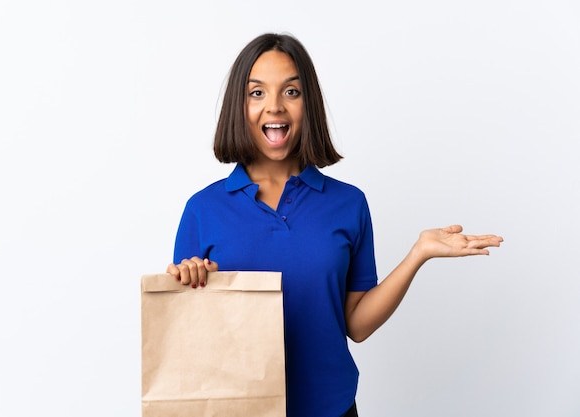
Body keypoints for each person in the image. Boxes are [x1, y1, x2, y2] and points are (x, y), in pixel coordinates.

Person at [166, 33, 503, 417]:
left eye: (291, 92)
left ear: (308, 103)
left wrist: (417, 255)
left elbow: (356, 325)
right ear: (237, 106)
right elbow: (188, 337)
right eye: (256, 93)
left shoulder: (349, 204)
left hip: (332, 408)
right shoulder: (203, 209)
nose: (274, 107)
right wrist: (188, 279)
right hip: (237, 410)